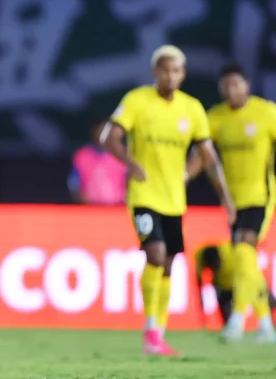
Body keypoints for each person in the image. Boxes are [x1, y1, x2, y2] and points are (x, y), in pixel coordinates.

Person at [100, 45, 235, 356]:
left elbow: (208, 156)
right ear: (155, 72)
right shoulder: (137, 101)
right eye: (164, 70)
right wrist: (129, 163)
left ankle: (158, 333)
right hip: (144, 195)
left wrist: (223, 195)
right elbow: (110, 137)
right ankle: (150, 330)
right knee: (155, 254)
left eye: (176, 71)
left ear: (183, 74)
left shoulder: (192, 108)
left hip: (174, 199)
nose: (170, 76)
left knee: (170, 263)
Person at [186, 63, 276, 342]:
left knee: (244, 250)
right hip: (232, 200)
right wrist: (184, 176)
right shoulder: (216, 118)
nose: (231, 90)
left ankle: (237, 319)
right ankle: (265, 324)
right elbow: (203, 155)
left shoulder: (266, 113)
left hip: (261, 195)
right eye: (226, 85)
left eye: (236, 84)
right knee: (244, 257)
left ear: (247, 85)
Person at [195, 242, 276, 329]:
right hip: (224, 287)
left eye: (216, 265)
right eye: (212, 267)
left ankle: (269, 325)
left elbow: (250, 274)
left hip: (242, 282)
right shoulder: (200, 257)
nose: (216, 269)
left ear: (219, 258)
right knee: (229, 320)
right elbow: (200, 284)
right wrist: (202, 314)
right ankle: (233, 329)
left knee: (269, 301)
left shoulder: (232, 254)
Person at [68, 119, 127, 205]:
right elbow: (74, 185)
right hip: (89, 208)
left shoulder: (123, 155)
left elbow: (131, 183)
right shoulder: (82, 156)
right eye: (100, 131)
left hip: (118, 208)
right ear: (94, 132)